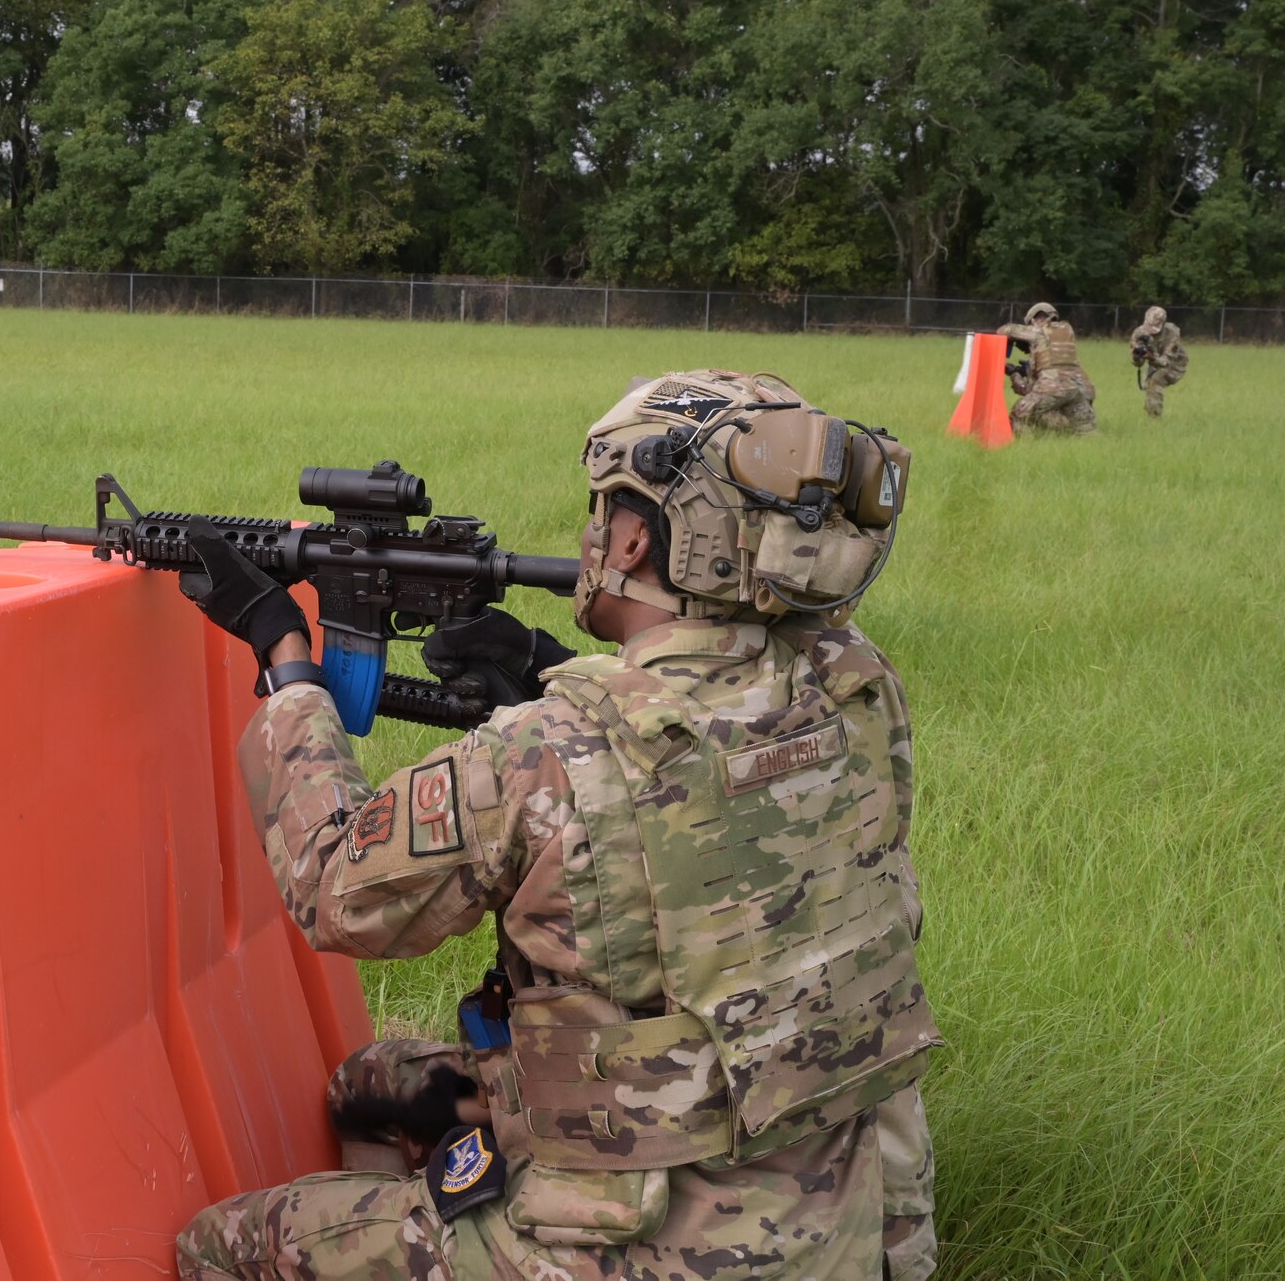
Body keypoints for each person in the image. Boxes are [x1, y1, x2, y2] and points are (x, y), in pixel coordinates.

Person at [173, 370, 942, 1281]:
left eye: (602, 509)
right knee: (370, 1080)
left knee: (219, 1244)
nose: (590, 534)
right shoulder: (854, 688)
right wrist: (549, 665)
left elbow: (334, 887)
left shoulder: (550, 749)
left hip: (631, 1249)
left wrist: (285, 661)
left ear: (636, 533)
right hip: (843, 1225)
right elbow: (699, 732)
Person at [998, 302, 1096, 434]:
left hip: (1053, 390)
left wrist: (1014, 374)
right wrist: (1027, 370)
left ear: (1034, 319)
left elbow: (1005, 330)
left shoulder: (1039, 330)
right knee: (1086, 431)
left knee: (1019, 414)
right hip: (1075, 390)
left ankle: (1025, 448)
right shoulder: (1068, 330)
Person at [1131, 306, 1187, 418]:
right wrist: (1137, 357)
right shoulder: (1139, 333)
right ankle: (1152, 414)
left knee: (1154, 383)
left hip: (1175, 362)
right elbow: (1138, 363)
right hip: (1155, 363)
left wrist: (1152, 358)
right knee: (1149, 387)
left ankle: (1154, 420)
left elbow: (1167, 360)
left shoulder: (1172, 332)